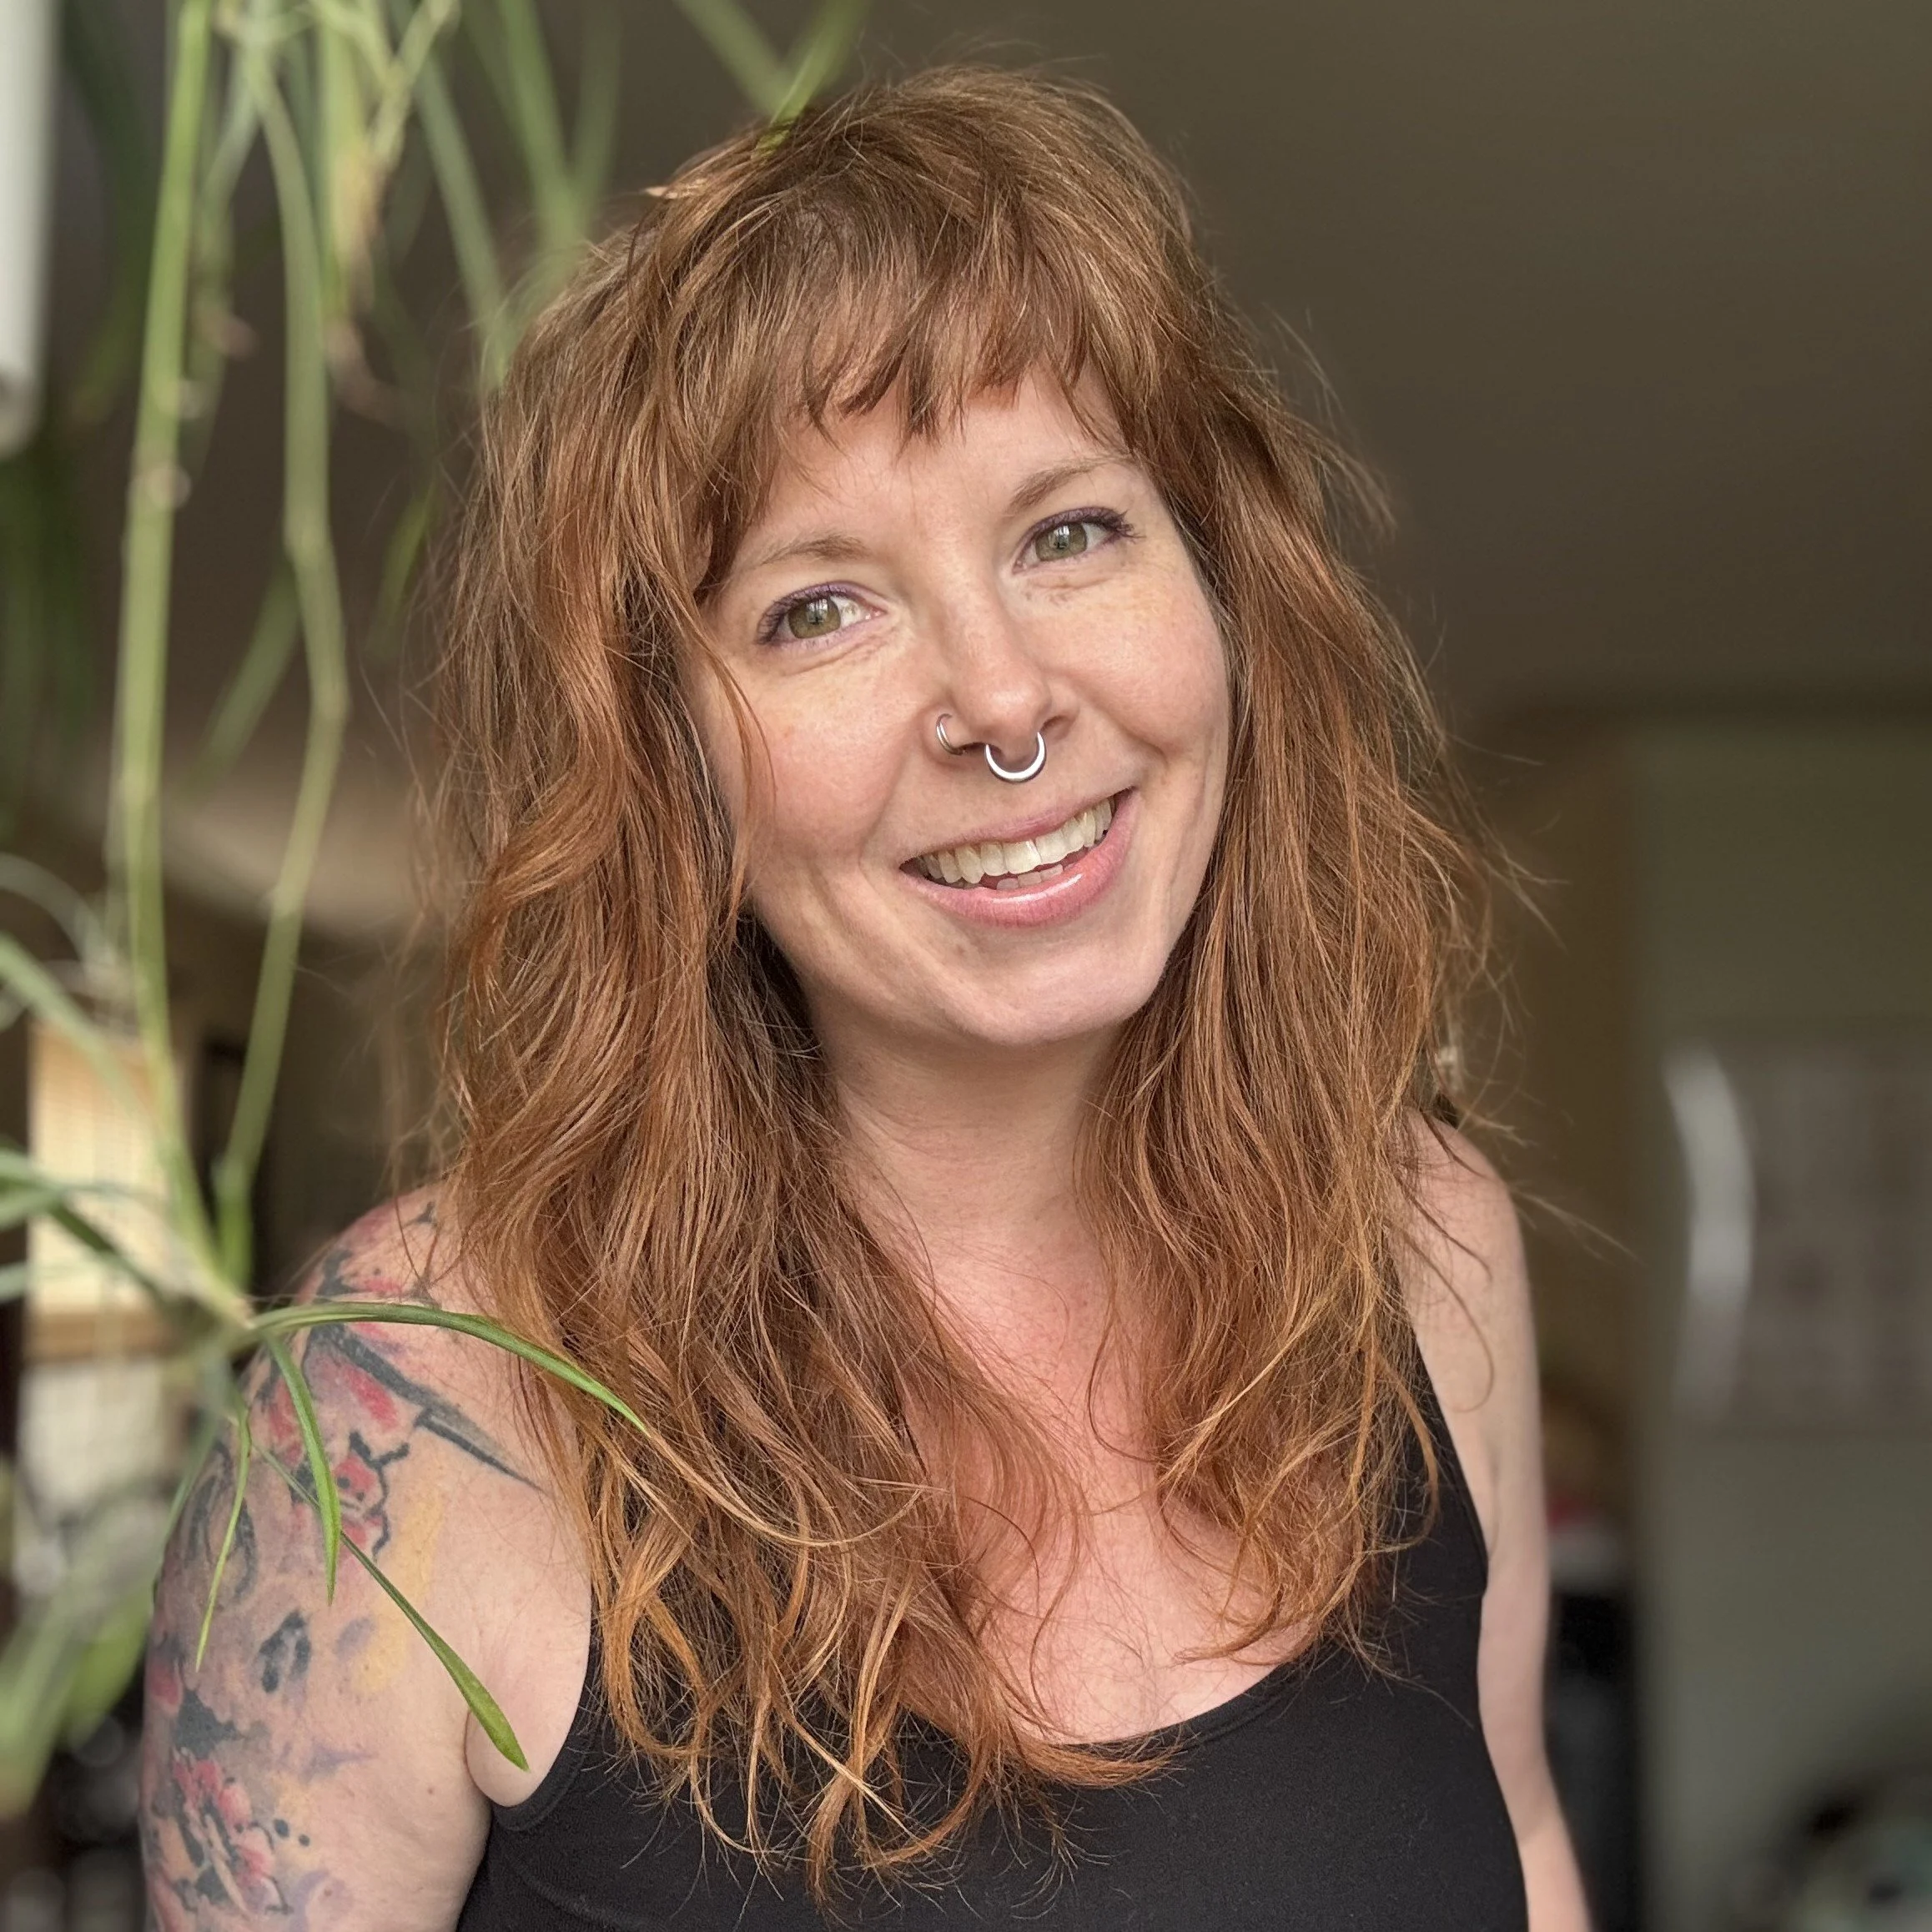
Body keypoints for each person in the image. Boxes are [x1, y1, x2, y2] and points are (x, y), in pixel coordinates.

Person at [140, 66, 1591, 1930]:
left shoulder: (1421, 1246)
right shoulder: (412, 1413)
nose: (1004, 699)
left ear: (1225, 589)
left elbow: (1520, 1841)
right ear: (663, 760)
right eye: (819, 608)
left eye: (1069, 531)